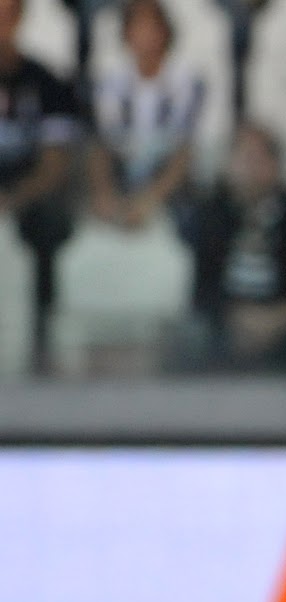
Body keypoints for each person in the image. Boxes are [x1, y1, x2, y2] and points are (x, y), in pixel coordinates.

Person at [0, 0, 78, 365]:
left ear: (19, 19)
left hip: (27, 189)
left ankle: (43, 331)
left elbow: (55, 163)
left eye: (6, 16)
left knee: (48, 220)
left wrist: (14, 197)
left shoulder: (45, 81)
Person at [191, 122, 286, 374]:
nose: (250, 168)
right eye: (243, 158)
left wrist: (278, 318)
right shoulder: (211, 212)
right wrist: (236, 317)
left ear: (276, 165)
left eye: (258, 158)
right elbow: (202, 288)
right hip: (225, 324)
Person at [86, 0, 205, 231]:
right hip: (124, 175)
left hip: (168, 183)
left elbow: (184, 150)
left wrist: (151, 198)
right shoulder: (111, 82)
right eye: (137, 27)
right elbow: (103, 143)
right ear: (126, 34)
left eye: (151, 27)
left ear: (165, 32)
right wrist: (104, 192)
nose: (145, 35)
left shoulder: (187, 81)